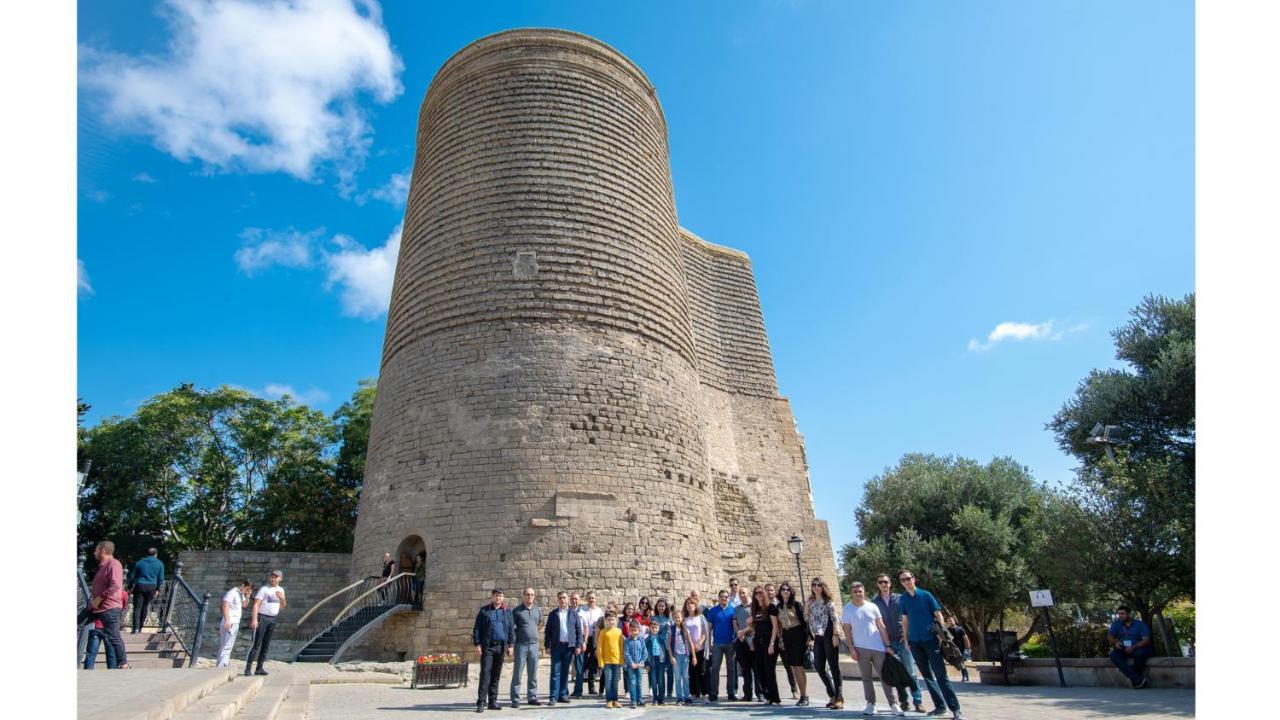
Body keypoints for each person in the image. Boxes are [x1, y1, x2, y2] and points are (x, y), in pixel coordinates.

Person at [899, 570, 965, 720]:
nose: (906, 582)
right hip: (915, 642)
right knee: (927, 676)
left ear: (913, 579)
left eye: (908, 578)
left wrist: (941, 635)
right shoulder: (903, 599)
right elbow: (905, 621)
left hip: (931, 640)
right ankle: (940, 706)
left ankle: (955, 709)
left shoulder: (926, 595)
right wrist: (907, 640)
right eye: (903, 580)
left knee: (941, 675)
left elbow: (938, 615)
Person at [841, 581, 901, 715]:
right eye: (855, 592)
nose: (858, 594)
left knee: (885, 676)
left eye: (860, 591)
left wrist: (887, 645)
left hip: (878, 646)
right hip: (860, 648)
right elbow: (847, 631)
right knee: (866, 677)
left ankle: (894, 704)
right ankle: (870, 703)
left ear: (864, 592)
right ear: (851, 593)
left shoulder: (872, 606)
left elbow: (881, 626)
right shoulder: (847, 609)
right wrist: (851, 649)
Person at [872, 573, 925, 712]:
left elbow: (908, 617)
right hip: (888, 643)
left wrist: (907, 635)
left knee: (911, 672)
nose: (883, 584)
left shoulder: (900, 598)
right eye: (880, 582)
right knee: (897, 673)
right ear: (877, 584)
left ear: (890, 583)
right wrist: (884, 643)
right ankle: (904, 701)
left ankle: (918, 701)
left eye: (885, 582)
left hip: (903, 641)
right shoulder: (874, 602)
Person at [88, 541, 129, 669]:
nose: (94, 552)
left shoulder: (114, 564)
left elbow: (116, 585)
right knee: (78, 623)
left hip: (109, 607)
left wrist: (99, 598)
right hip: (97, 606)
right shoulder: (102, 566)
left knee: (113, 636)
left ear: (103, 550)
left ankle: (124, 664)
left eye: (96, 550)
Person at [473, 588, 514, 712]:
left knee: (496, 676)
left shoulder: (507, 612)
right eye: (496, 595)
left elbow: (511, 629)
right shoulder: (484, 611)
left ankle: (492, 701)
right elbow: (477, 629)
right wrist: (477, 644)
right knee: (485, 674)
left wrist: (511, 645)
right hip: (488, 647)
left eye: (500, 596)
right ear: (492, 597)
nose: (498, 598)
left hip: (501, 647)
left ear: (503, 598)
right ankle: (481, 702)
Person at [807, 577, 846, 709]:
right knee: (818, 666)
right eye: (814, 585)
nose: (816, 587)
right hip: (818, 637)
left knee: (834, 667)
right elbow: (807, 618)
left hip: (829, 635)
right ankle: (832, 693)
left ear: (823, 587)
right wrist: (806, 605)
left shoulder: (829, 602)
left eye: (818, 585)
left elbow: (835, 619)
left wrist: (836, 635)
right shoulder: (811, 603)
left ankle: (839, 697)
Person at [244, 570, 286, 677]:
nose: (273, 579)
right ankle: (248, 668)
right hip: (262, 617)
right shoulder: (264, 589)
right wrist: (254, 620)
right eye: (272, 577)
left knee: (266, 645)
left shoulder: (281, 590)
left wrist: (282, 598)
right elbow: (256, 605)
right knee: (256, 644)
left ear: (280, 579)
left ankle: (259, 668)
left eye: (276, 577)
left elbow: (282, 606)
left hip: (273, 618)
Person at [546, 591, 583, 704]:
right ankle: (553, 696)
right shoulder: (553, 614)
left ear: (567, 600)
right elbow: (548, 631)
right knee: (555, 672)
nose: (563, 600)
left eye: (564, 598)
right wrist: (547, 645)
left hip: (568, 647)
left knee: (565, 672)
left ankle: (563, 695)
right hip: (557, 647)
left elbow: (578, 631)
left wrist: (578, 645)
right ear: (558, 600)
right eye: (561, 598)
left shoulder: (573, 614)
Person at [776, 582, 810, 706]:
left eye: (787, 589)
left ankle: (804, 695)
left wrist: (808, 639)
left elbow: (804, 622)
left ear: (791, 592)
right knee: (794, 667)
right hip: (787, 636)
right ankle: (802, 695)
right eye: (783, 589)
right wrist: (781, 639)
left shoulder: (796, 605)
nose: (785, 591)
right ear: (780, 592)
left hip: (798, 636)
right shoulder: (778, 607)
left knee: (799, 666)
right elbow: (779, 625)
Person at [748, 585, 782, 705]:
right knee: (760, 669)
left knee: (769, 670)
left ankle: (775, 698)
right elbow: (753, 625)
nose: (758, 595)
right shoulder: (755, 609)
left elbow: (775, 626)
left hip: (769, 642)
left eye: (760, 593)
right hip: (758, 642)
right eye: (756, 593)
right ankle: (768, 696)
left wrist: (772, 643)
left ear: (764, 594)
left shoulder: (770, 607)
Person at [509, 587, 542, 707]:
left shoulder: (537, 610)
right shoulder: (517, 611)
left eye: (532, 594)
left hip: (534, 645)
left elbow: (539, 624)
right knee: (517, 673)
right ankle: (515, 699)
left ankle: (532, 697)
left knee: (532, 674)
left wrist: (531, 633)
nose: (530, 597)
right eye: (528, 594)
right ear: (524, 596)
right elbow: (511, 628)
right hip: (521, 646)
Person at [84, 585, 129, 669]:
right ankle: (111, 677)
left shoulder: (98, 593)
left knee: (90, 654)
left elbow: (91, 607)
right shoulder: (123, 594)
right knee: (111, 656)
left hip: (96, 625)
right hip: (110, 627)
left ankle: (87, 675)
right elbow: (122, 608)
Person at [1108, 606, 1153, 688]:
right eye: (1119, 614)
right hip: (1124, 648)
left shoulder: (1140, 624)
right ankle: (1137, 678)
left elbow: (1146, 640)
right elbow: (1110, 636)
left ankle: (1137, 679)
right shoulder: (1117, 624)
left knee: (1139, 653)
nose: (1120, 616)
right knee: (1114, 656)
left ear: (1129, 614)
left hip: (1139, 647)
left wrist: (1134, 647)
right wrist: (1116, 642)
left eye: (1122, 614)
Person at [705, 589, 738, 702]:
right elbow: (709, 629)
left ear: (728, 598)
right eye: (722, 597)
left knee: (731, 669)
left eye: (726, 597)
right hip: (717, 644)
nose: (724, 598)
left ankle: (731, 693)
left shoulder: (733, 610)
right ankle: (714, 693)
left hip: (730, 643)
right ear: (718, 598)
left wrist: (736, 642)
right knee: (715, 669)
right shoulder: (713, 611)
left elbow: (736, 627)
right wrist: (709, 644)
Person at [573, 591, 605, 697]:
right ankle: (579, 689)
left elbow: (602, 626)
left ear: (596, 599)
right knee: (582, 663)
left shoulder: (599, 611)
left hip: (595, 639)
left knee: (593, 664)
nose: (591, 600)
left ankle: (591, 688)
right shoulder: (582, 610)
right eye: (589, 598)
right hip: (584, 638)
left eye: (593, 598)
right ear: (586, 599)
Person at [127, 547, 164, 634]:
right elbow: (160, 578)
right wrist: (158, 589)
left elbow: (132, 576)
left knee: (137, 608)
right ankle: (140, 627)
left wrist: (129, 587)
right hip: (152, 587)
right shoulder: (160, 564)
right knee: (145, 606)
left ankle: (135, 628)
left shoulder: (139, 563)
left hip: (140, 585)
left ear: (146, 554)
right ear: (156, 554)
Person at [217, 580, 252, 668]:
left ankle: (223, 663)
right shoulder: (232, 592)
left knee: (228, 645)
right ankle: (222, 665)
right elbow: (225, 606)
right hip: (230, 622)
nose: (246, 591)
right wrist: (227, 620)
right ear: (243, 585)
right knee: (226, 645)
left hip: (236, 622)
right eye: (246, 589)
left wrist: (248, 596)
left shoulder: (240, 594)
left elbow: (244, 605)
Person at [681, 596, 709, 702]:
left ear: (696, 605)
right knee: (691, 672)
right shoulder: (684, 619)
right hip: (688, 649)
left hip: (700, 648)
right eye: (688, 604)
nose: (690, 606)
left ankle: (704, 694)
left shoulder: (701, 617)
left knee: (702, 671)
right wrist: (691, 645)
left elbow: (705, 632)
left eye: (692, 603)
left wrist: (699, 644)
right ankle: (693, 693)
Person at [732, 587, 757, 702]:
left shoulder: (754, 607)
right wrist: (738, 632)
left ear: (748, 594)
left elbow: (756, 623)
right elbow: (735, 622)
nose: (742, 595)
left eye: (744, 593)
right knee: (745, 669)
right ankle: (748, 694)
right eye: (740, 593)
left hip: (753, 640)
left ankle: (760, 693)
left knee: (757, 668)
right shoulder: (737, 609)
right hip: (741, 641)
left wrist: (743, 631)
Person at [597, 609, 625, 709]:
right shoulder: (603, 632)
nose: (611, 622)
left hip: (617, 661)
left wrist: (622, 660)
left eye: (613, 620)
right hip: (607, 662)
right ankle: (609, 700)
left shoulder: (619, 632)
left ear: (616, 620)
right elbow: (599, 647)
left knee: (615, 682)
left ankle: (615, 700)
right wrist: (601, 661)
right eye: (609, 620)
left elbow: (621, 646)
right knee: (608, 681)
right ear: (606, 621)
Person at [668, 608, 695, 705]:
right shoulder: (671, 630)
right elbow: (668, 644)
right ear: (673, 619)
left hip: (685, 656)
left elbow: (690, 643)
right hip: (676, 656)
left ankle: (687, 696)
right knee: (678, 677)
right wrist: (671, 657)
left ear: (682, 618)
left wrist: (694, 656)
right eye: (675, 618)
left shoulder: (685, 629)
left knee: (685, 677)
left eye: (678, 617)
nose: (677, 619)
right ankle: (679, 697)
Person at [652, 598, 675, 697]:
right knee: (660, 670)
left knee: (670, 670)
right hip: (658, 647)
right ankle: (661, 691)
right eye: (659, 606)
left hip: (668, 646)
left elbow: (673, 631)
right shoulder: (654, 618)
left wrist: (670, 627)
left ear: (665, 607)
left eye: (663, 606)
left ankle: (669, 691)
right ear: (657, 607)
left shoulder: (669, 618)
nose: (661, 607)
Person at [623, 619, 649, 708]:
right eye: (632, 630)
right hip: (631, 666)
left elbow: (645, 653)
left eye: (635, 630)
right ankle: (633, 700)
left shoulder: (641, 641)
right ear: (629, 631)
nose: (634, 632)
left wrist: (641, 662)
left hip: (639, 665)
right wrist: (631, 663)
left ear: (639, 630)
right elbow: (626, 653)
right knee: (632, 682)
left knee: (639, 683)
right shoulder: (627, 641)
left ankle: (639, 699)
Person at [646, 618, 670, 704]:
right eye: (652, 627)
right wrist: (646, 664)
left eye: (656, 627)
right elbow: (645, 653)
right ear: (649, 628)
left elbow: (666, 651)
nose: (654, 629)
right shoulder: (647, 640)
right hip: (652, 661)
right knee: (653, 680)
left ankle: (662, 698)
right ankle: (655, 698)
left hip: (661, 661)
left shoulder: (661, 639)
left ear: (658, 628)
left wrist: (666, 664)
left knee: (661, 680)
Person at [947, 617, 972, 681]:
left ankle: (965, 676)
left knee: (961, 662)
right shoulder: (948, 630)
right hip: (953, 648)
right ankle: (965, 676)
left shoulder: (960, 629)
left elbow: (965, 638)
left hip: (961, 648)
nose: (950, 622)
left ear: (954, 621)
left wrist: (968, 648)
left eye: (951, 621)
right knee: (959, 662)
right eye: (948, 621)